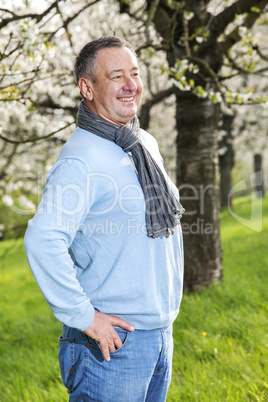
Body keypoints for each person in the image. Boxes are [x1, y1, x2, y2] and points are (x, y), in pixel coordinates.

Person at [24, 36, 184, 402]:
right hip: (111, 345)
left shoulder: (140, 142)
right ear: (87, 88)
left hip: (157, 335)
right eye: (116, 76)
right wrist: (85, 317)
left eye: (135, 73)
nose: (131, 85)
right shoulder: (82, 160)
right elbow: (42, 239)